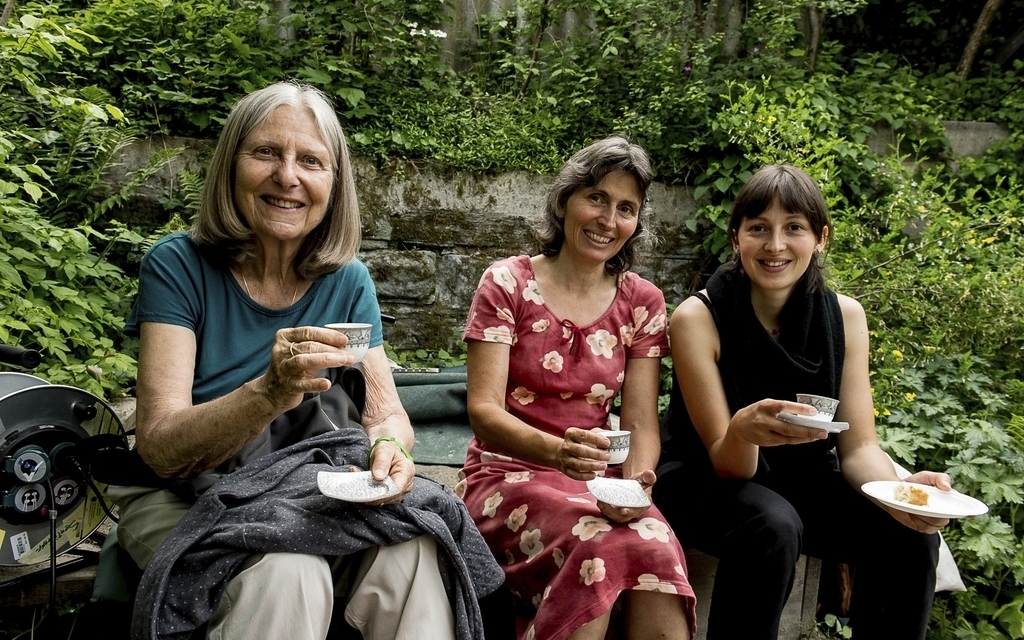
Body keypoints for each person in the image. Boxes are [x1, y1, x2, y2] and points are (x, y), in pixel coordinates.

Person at [110, 81, 501, 640]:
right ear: (230, 165)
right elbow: (161, 447)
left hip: (304, 485)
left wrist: (388, 447)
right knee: (289, 569)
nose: (287, 176)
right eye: (266, 152)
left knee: (412, 547)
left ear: (332, 185)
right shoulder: (179, 267)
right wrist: (268, 393)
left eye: (310, 161)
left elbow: (384, 414)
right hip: (182, 492)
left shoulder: (346, 282)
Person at [654, 164, 948, 640]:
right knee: (772, 523)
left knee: (909, 535)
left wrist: (902, 493)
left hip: (805, 481)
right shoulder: (698, 317)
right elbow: (727, 463)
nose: (775, 245)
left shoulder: (846, 316)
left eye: (794, 228)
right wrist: (743, 430)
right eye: (758, 229)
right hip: (704, 479)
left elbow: (858, 449)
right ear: (736, 239)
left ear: (821, 238)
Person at [459, 137, 696, 640]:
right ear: (565, 199)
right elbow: (483, 411)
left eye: (626, 208)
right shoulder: (507, 283)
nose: (609, 219)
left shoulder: (642, 302)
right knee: (596, 549)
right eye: (597, 198)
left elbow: (639, 422)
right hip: (505, 475)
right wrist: (558, 452)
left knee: (655, 545)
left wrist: (635, 486)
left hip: (595, 483)